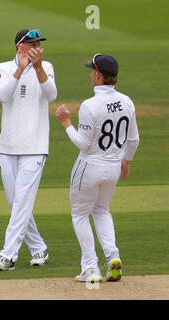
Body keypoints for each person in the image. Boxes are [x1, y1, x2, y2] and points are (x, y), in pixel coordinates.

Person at [55, 53, 139, 283]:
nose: (91, 74)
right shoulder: (127, 101)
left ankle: (90, 268)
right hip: (113, 167)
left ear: (100, 76)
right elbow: (133, 140)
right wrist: (126, 161)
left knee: (80, 214)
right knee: (102, 210)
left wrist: (65, 122)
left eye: (93, 71)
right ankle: (113, 258)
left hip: (90, 165)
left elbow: (82, 143)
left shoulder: (89, 105)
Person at [0, 29, 57, 271]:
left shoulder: (46, 67)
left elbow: (52, 94)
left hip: (35, 146)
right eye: (32, 43)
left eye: (38, 43)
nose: (37, 47)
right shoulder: (4, 67)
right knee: (16, 202)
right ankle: (39, 248)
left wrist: (36, 69)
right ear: (20, 46)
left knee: (22, 201)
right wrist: (20, 69)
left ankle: (8, 256)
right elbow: (2, 95)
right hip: (8, 146)